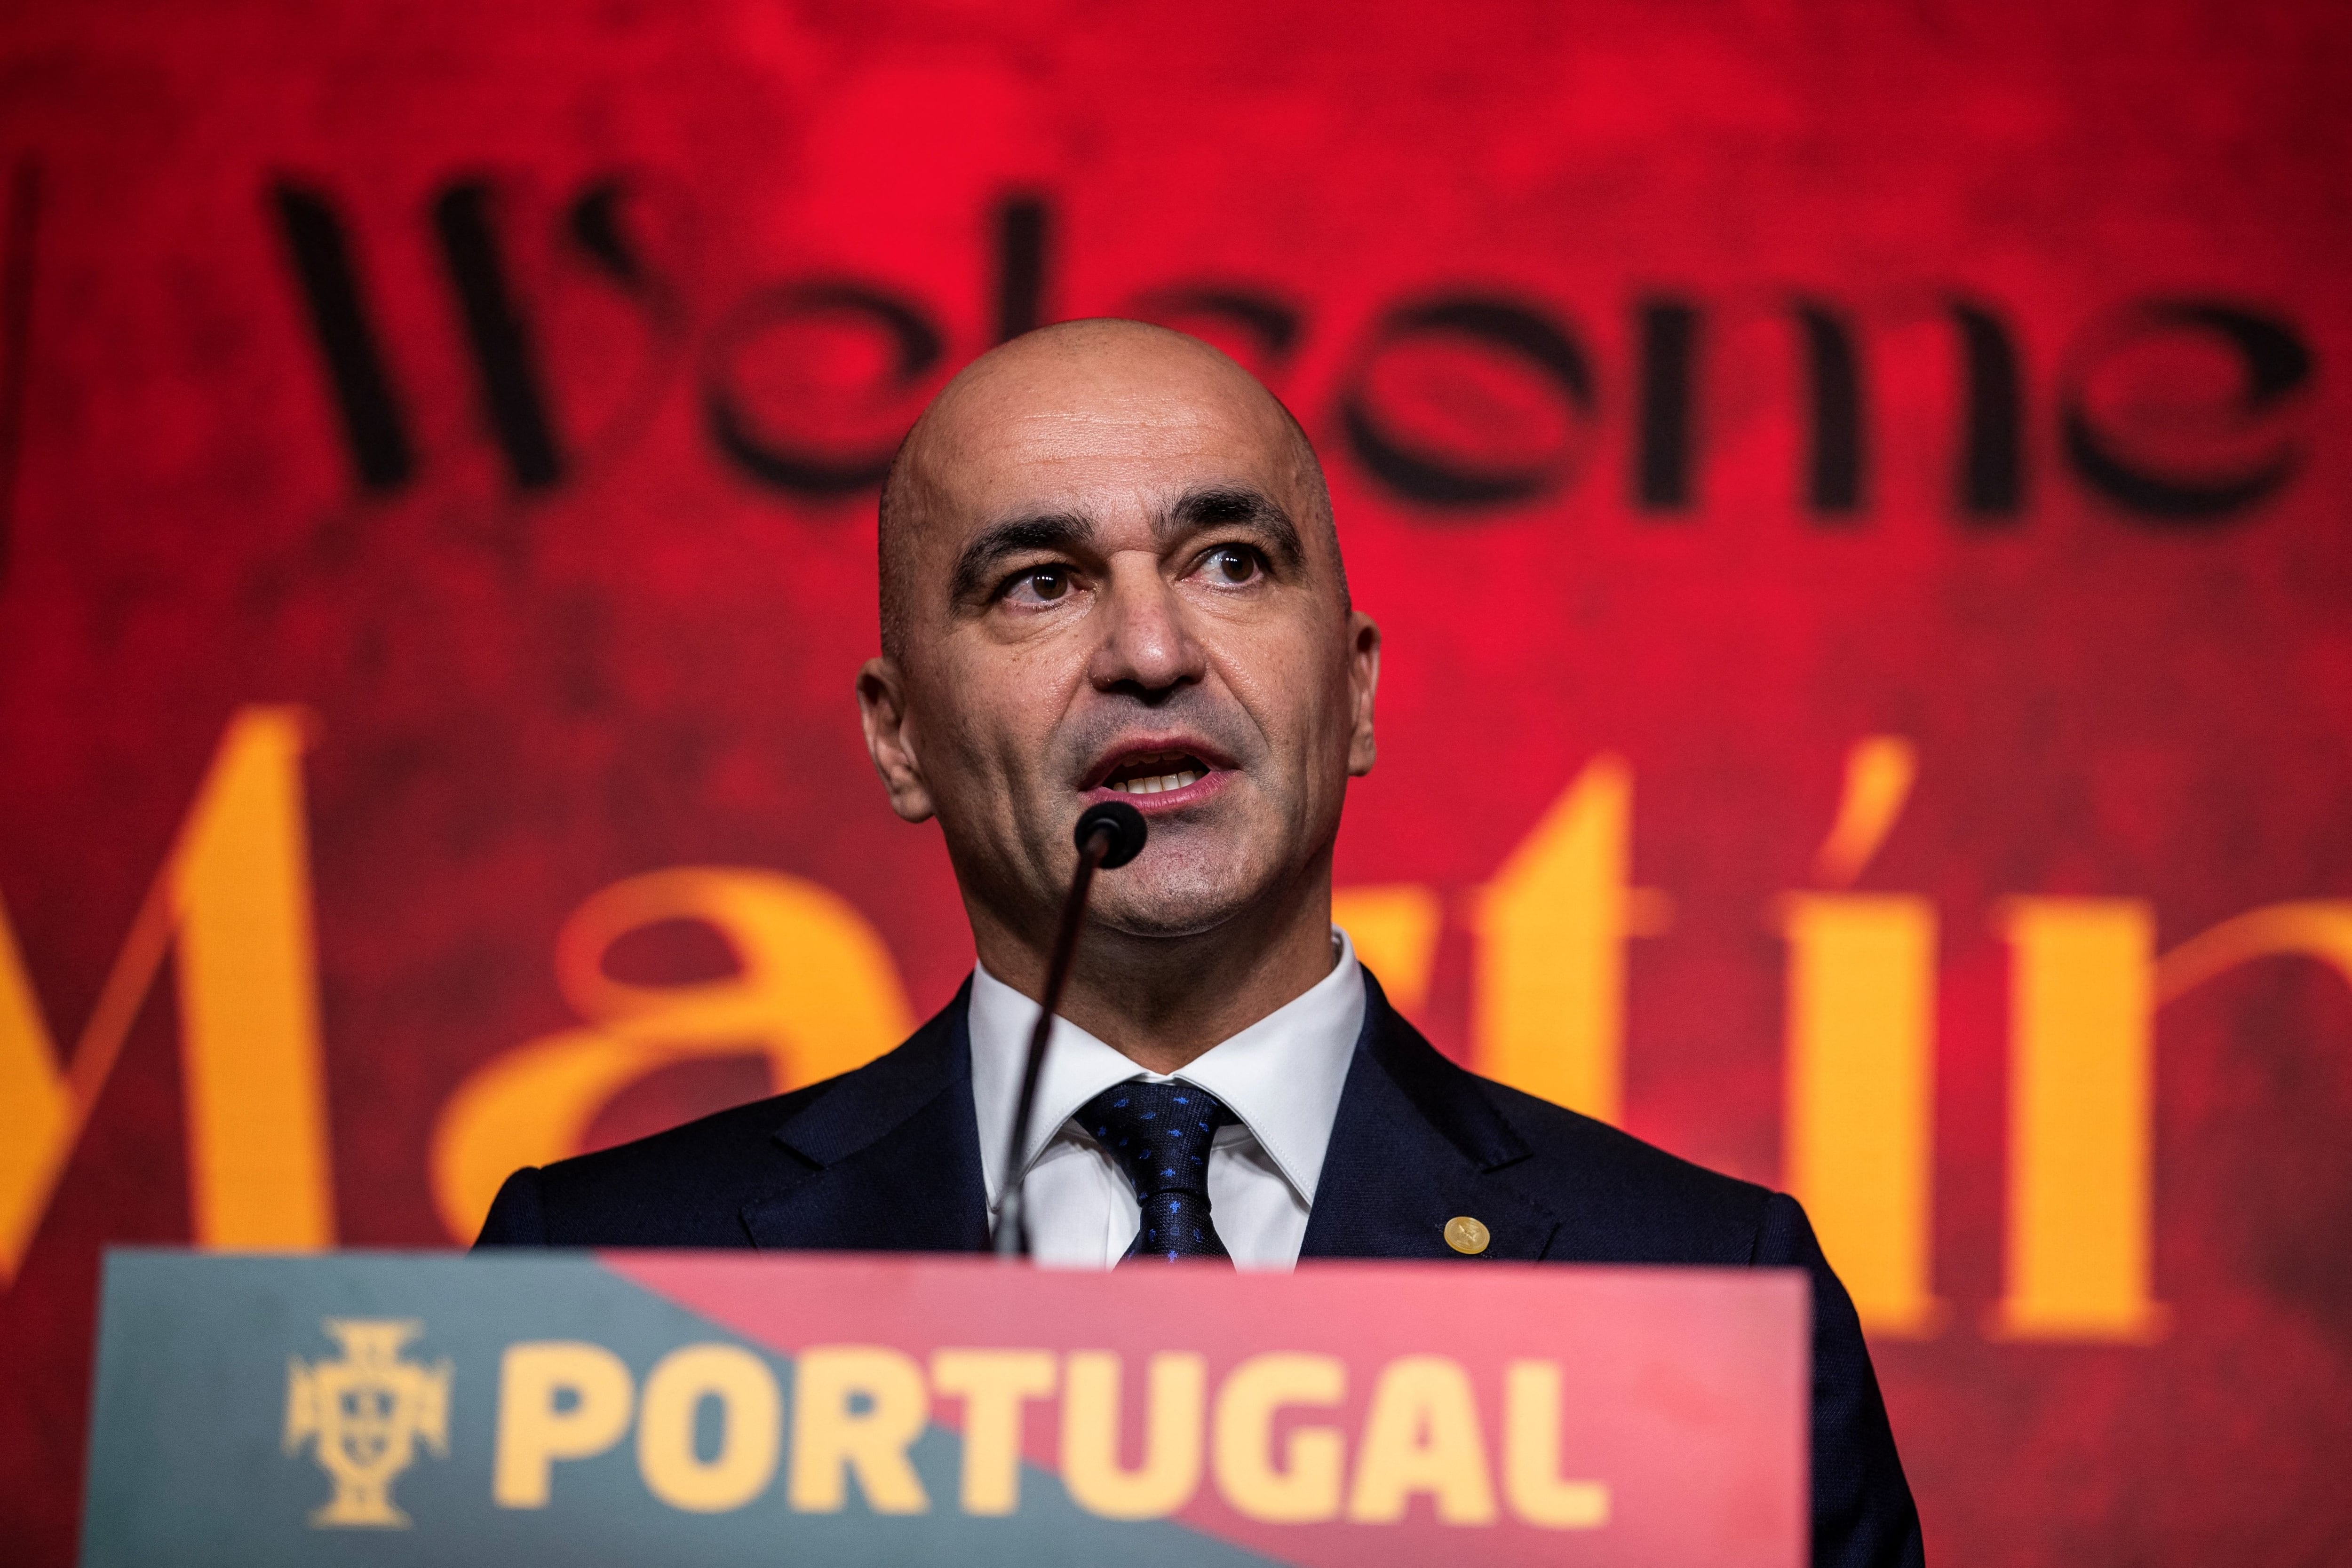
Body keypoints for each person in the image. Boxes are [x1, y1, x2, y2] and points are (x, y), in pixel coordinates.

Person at [476, 319, 1923, 1567]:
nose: (1152, 650)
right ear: (899, 735)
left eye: (1231, 561)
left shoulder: (1705, 1297)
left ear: (1354, 693)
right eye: (1038, 582)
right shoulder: (603, 1283)